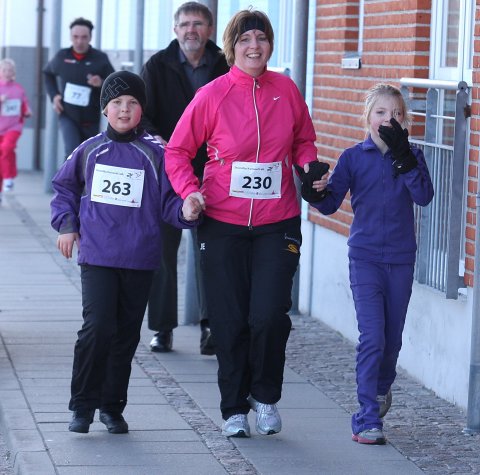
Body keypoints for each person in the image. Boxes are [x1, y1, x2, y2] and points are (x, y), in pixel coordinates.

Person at [165, 9, 326, 438]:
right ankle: (234, 408)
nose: (254, 46)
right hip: (222, 221)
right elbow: (177, 151)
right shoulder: (212, 94)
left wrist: (309, 166)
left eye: (262, 38)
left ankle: (265, 396)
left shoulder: (286, 90)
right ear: (232, 46)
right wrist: (189, 192)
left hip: (278, 221)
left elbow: (303, 141)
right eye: (245, 39)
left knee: (270, 315)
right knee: (229, 320)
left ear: (270, 44)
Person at [50, 70, 203, 434]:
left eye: (132, 102)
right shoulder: (89, 150)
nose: (124, 109)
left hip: (139, 258)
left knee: (125, 335)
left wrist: (185, 212)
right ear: (105, 108)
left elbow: (170, 201)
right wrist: (67, 225)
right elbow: (64, 189)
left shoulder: (156, 153)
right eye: (116, 102)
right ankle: (82, 406)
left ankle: (112, 406)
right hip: (98, 257)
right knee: (97, 327)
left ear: (141, 109)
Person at [308, 83, 434, 445]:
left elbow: (424, 196)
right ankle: (366, 417)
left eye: (396, 113)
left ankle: (380, 389)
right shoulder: (353, 157)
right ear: (367, 117)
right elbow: (330, 203)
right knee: (373, 337)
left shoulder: (412, 155)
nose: (388, 119)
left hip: (401, 259)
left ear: (404, 120)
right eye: (380, 112)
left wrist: (404, 159)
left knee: (391, 341)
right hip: (364, 259)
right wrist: (313, 192)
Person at [141, 1, 229, 355]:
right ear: (175, 29)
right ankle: (162, 329)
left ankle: (211, 326)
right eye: (185, 24)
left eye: (198, 23)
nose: (191, 29)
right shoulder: (157, 65)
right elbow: (142, 115)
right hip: (168, 172)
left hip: (213, 172)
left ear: (210, 29)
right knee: (163, 252)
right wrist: (158, 140)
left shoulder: (226, 64)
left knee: (210, 251)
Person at [43, 17, 114, 159]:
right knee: (72, 152)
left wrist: (101, 82)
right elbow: (47, 73)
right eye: (75, 37)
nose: (79, 41)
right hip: (68, 115)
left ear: (90, 38)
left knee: (88, 155)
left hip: (91, 118)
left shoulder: (100, 58)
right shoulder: (62, 56)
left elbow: (114, 83)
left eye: (84, 37)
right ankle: (67, 174)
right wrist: (54, 95)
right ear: (70, 37)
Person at [0, 58, 32, 197]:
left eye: (10, 70)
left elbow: (24, 104)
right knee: (2, 157)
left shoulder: (18, 89)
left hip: (14, 126)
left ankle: (8, 177)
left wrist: (27, 111)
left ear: (14, 72)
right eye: (4, 70)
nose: (7, 73)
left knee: (7, 148)